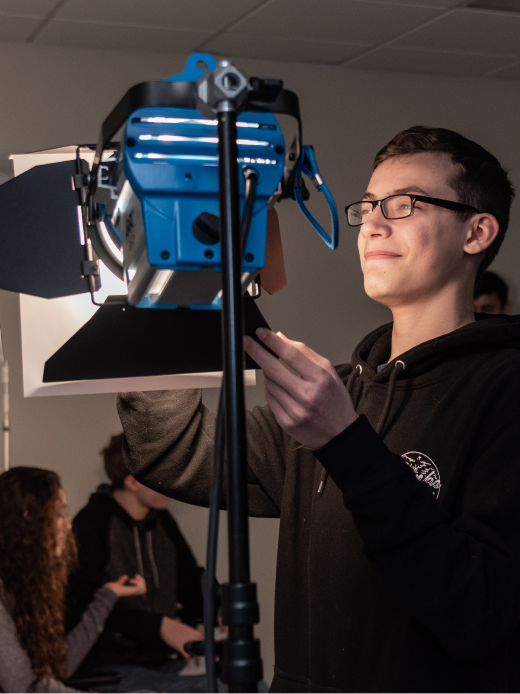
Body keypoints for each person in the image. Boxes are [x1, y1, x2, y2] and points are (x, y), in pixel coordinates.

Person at [117, 126, 520, 693]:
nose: (374, 222)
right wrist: (174, 288)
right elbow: (174, 453)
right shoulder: (341, 391)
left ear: (477, 232)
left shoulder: (502, 390)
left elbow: (478, 610)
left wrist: (344, 442)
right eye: (370, 205)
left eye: (404, 205)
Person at [67, 434, 220, 694]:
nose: (171, 483)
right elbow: (86, 600)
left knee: (247, 685)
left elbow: (189, 579)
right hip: (112, 666)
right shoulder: (92, 522)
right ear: (132, 482)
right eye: (161, 476)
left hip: (160, 662)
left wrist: (218, 605)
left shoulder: (162, 520)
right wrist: (159, 628)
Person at [0, 466, 152, 694]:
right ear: (27, 517)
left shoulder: (22, 586)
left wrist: (106, 598)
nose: (67, 524)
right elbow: (25, 687)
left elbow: (59, 667)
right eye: (58, 513)